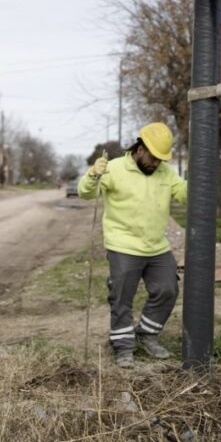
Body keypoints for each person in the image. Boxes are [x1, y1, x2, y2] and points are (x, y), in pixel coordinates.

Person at [77, 122, 188, 369]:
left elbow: (182, 193)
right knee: (121, 298)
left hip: (157, 246)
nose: (156, 163)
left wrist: (200, 181)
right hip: (123, 245)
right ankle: (124, 347)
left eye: (161, 159)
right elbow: (85, 193)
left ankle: (147, 334)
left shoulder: (166, 172)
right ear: (140, 148)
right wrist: (93, 174)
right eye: (153, 157)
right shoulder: (114, 169)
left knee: (168, 289)